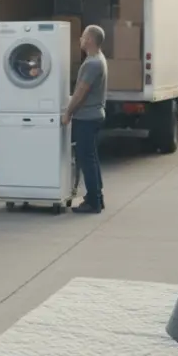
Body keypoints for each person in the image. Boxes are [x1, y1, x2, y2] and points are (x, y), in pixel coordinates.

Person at [61, 24, 108, 214]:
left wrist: (68, 113)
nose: (80, 40)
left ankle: (93, 203)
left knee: (85, 159)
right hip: (95, 115)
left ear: (89, 40)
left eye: (82, 37)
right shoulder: (99, 59)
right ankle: (96, 197)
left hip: (87, 117)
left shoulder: (92, 63)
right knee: (92, 158)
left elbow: (81, 92)